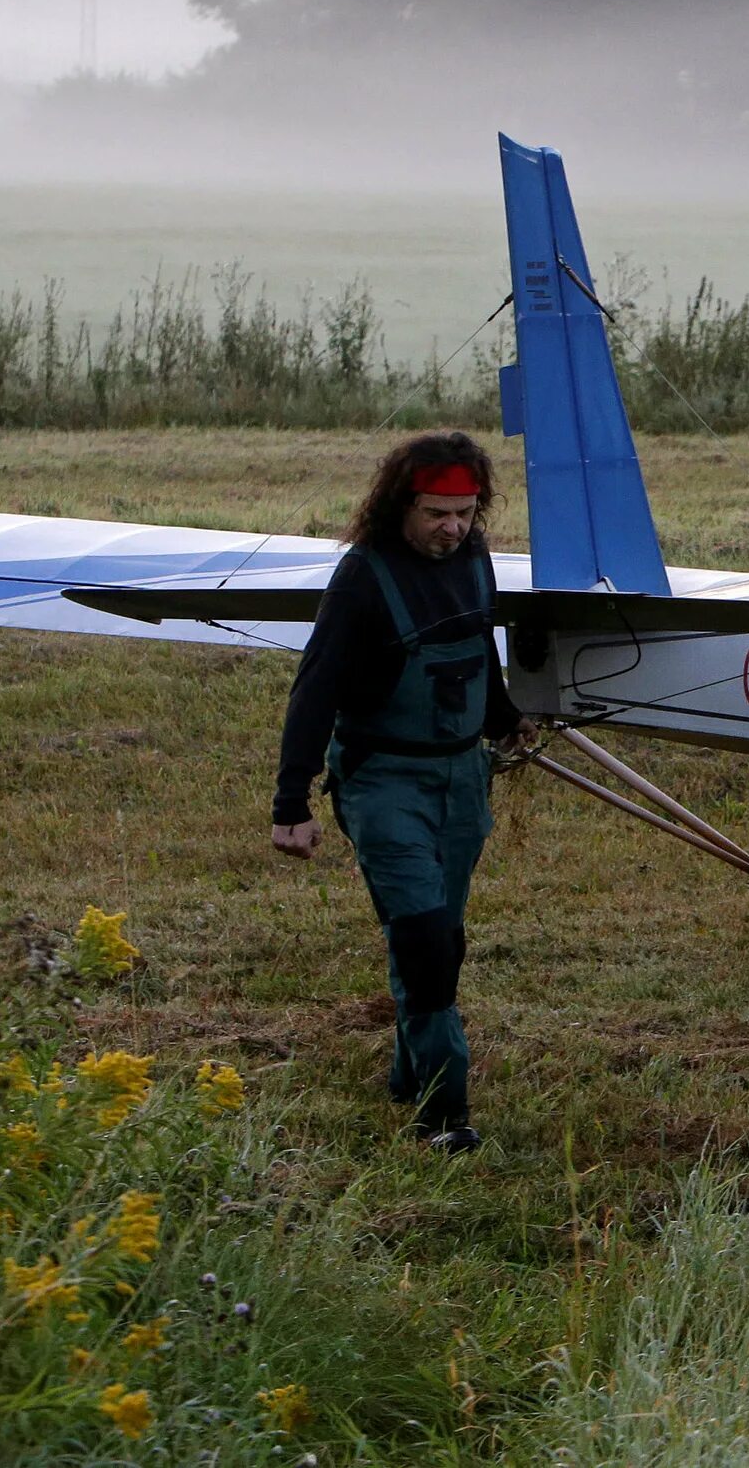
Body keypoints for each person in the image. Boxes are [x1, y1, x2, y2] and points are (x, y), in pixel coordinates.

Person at [273, 432, 525, 1154]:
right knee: (422, 940)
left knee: (439, 933)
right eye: (437, 514)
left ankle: (405, 1075)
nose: (454, 529)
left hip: (463, 779)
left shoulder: (476, 561)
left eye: (466, 513)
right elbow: (314, 686)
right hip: (384, 780)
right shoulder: (362, 576)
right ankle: (446, 1115)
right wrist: (291, 804)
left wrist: (505, 720)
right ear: (402, 505)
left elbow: (481, 650)